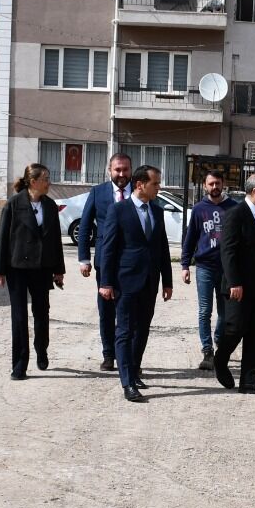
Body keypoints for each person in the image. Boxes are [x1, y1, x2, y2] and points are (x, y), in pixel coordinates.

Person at [98, 164, 173, 403]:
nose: (159, 188)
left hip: (150, 281)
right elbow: (108, 249)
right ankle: (127, 382)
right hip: (126, 281)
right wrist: (106, 282)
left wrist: (167, 281)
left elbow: (162, 248)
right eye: (155, 183)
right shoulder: (118, 210)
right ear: (140, 184)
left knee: (142, 329)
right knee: (124, 330)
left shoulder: (157, 211)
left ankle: (134, 370)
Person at [0, 162, 65, 380]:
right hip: (17, 268)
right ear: (33, 182)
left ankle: (41, 349)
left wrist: (58, 270)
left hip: (42, 267)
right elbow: (3, 238)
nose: (49, 182)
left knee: (42, 313)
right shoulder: (14, 204)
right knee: (19, 317)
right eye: (45, 179)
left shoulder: (50, 206)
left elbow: (55, 240)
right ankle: (19, 365)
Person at [214, 172, 255, 395]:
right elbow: (228, 251)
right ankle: (220, 359)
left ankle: (249, 380)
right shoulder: (236, 214)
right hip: (238, 286)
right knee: (235, 328)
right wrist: (234, 282)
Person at [76, 152, 133, 372]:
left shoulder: (138, 192)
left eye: (125, 169)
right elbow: (85, 226)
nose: (122, 174)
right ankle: (108, 354)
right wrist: (84, 258)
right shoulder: (98, 192)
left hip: (131, 262)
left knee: (129, 311)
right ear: (110, 170)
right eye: (117, 169)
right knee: (106, 310)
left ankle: (128, 357)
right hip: (105, 262)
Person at [181, 170, 241, 370]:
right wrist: (185, 265)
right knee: (205, 310)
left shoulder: (233, 207)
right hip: (205, 267)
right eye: (211, 184)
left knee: (225, 312)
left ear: (223, 184)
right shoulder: (199, 209)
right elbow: (190, 238)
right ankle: (207, 351)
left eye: (218, 183)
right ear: (205, 185)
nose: (214, 187)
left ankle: (219, 340)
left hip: (227, 269)